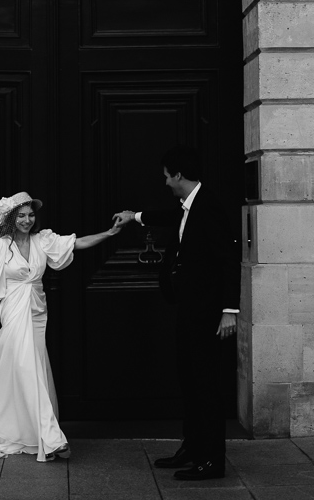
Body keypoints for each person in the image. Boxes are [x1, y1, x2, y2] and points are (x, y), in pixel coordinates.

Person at [0, 191, 123, 463]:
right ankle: (51, 438)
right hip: (13, 310)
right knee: (24, 366)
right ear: (11, 217)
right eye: (21, 215)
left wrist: (109, 233)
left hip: (37, 311)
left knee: (33, 366)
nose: (27, 220)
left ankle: (32, 432)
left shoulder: (43, 241)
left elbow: (76, 243)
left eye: (31, 215)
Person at [114, 146, 240, 482]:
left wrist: (229, 310)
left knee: (205, 385)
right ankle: (193, 448)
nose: (166, 182)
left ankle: (212, 460)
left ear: (179, 175)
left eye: (167, 176)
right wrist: (135, 217)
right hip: (190, 309)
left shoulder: (209, 206)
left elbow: (229, 260)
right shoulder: (190, 206)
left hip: (208, 314)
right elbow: (173, 218)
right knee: (189, 379)